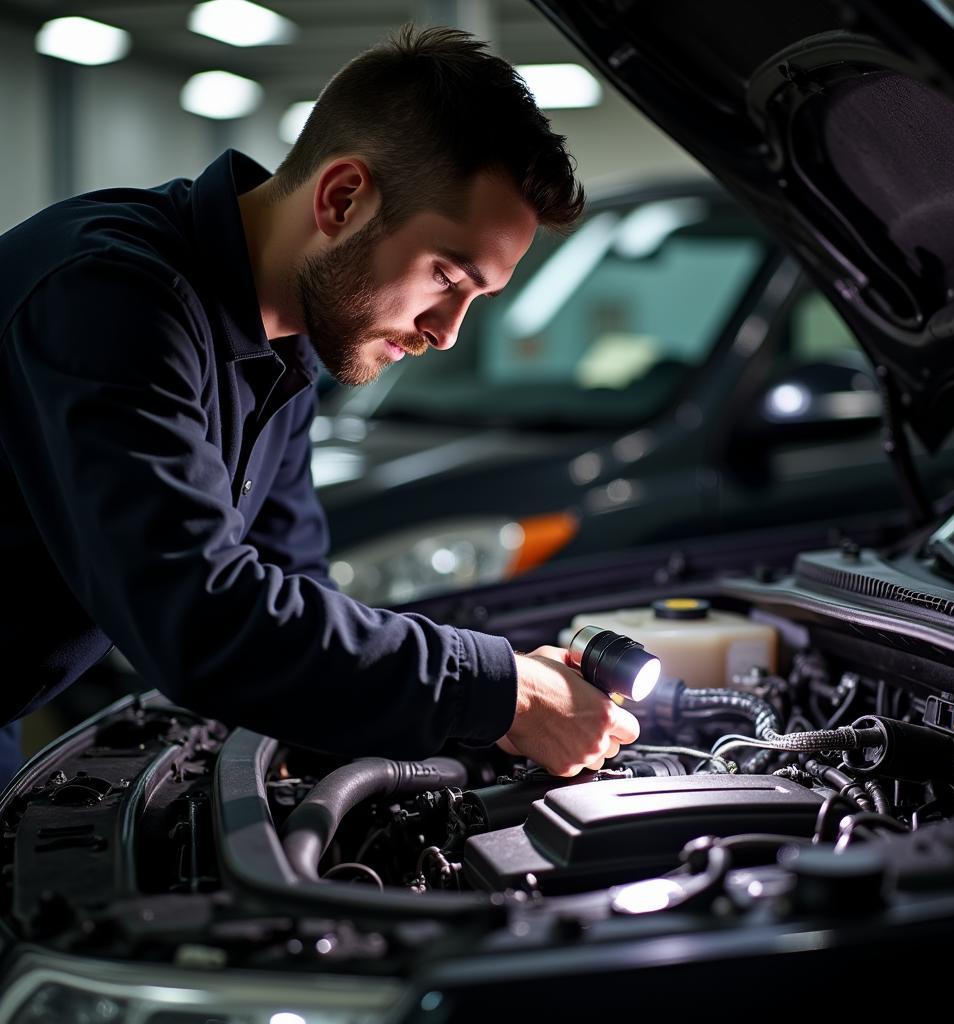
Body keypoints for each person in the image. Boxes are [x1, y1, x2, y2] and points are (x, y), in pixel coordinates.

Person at [0, 26, 639, 787]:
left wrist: (481, 732)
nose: (445, 332)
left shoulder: (288, 343)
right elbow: (200, 621)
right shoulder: (108, 297)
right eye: (445, 276)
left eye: (478, 299)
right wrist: (498, 690)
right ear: (343, 198)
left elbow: (290, 586)